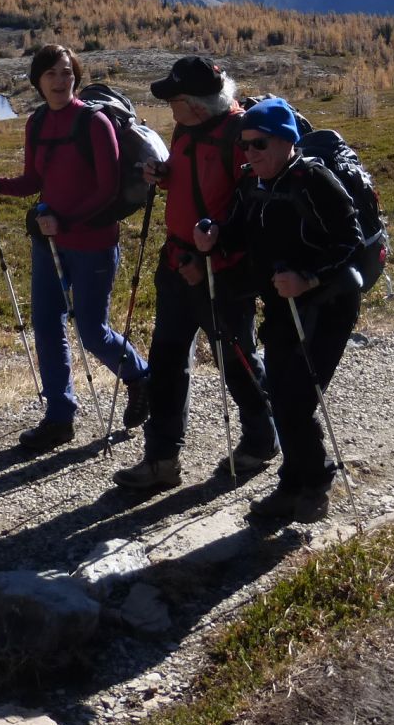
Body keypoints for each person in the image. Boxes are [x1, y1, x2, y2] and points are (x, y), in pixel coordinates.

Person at [0, 44, 149, 451]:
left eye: (66, 72)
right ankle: (59, 417)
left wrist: (66, 221)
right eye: (51, 73)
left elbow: (108, 189)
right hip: (49, 241)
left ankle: (141, 377)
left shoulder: (95, 122)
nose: (60, 80)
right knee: (48, 327)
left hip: (93, 242)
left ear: (76, 77)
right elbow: (34, 179)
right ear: (38, 80)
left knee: (92, 331)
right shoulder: (36, 123)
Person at [113, 57, 277, 491]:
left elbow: (251, 214)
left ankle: (262, 442)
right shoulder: (188, 128)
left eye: (174, 98)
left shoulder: (243, 138)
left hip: (217, 274)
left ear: (199, 104)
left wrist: (213, 259)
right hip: (176, 264)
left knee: (236, 360)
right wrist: (162, 175)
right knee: (167, 364)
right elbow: (192, 182)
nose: (169, 106)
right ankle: (161, 460)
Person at [194, 97, 361, 525]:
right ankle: (295, 483)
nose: (250, 153)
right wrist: (215, 238)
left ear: (286, 140)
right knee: (285, 396)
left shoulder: (314, 180)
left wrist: (309, 278)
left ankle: (311, 484)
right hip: (282, 304)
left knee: (296, 398)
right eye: (245, 145)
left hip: (327, 304)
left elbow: (351, 242)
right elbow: (239, 234)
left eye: (259, 144)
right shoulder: (252, 183)